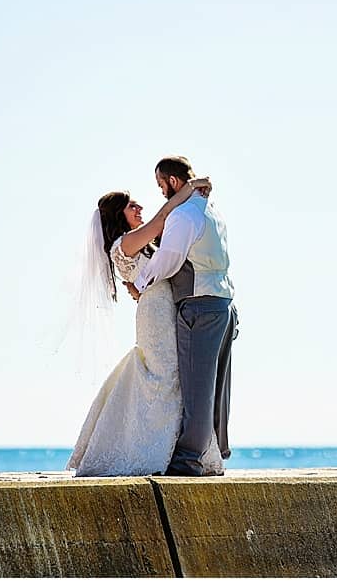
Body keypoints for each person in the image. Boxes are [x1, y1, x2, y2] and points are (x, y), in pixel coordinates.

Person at [65, 175, 221, 477]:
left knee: (176, 376)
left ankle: (178, 450)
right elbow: (163, 217)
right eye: (131, 205)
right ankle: (154, 452)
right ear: (118, 215)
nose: (138, 207)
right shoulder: (125, 243)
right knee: (166, 375)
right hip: (155, 315)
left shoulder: (142, 243)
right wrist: (189, 188)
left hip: (164, 309)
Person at [134, 156, 238, 477]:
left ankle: (189, 459)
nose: (161, 191)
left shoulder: (183, 216)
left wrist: (140, 284)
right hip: (224, 302)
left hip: (198, 305)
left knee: (196, 387)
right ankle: (213, 452)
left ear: (174, 182)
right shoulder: (212, 212)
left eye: (161, 184)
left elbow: (169, 261)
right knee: (218, 388)